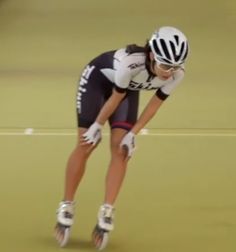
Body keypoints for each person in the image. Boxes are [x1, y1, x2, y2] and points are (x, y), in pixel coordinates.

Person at [54, 26, 189, 250]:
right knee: (87, 144)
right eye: (165, 65)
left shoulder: (177, 74)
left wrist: (132, 134)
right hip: (98, 82)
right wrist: (97, 124)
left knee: (121, 150)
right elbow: (115, 99)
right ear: (152, 54)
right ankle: (66, 205)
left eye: (174, 67)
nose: (168, 72)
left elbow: (154, 105)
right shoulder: (130, 63)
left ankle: (107, 210)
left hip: (127, 89)